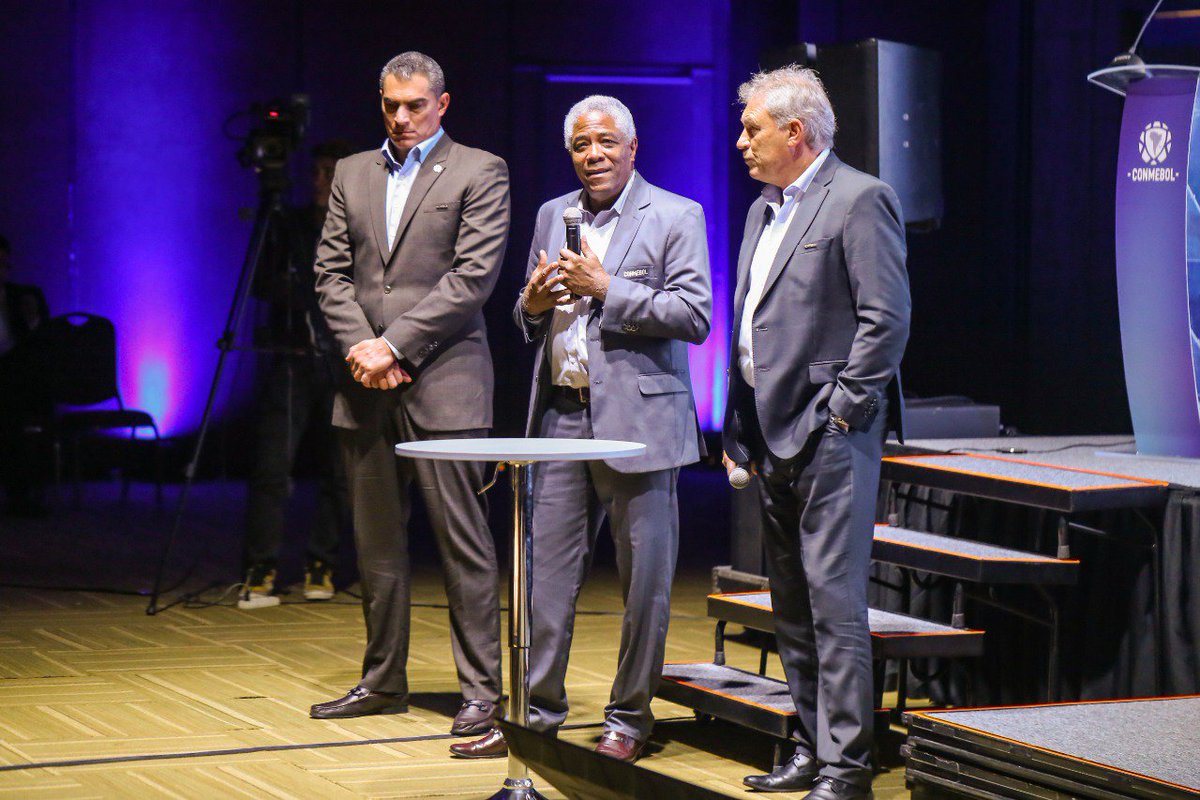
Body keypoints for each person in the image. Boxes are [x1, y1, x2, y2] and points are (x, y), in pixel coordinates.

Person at [450, 95, 711, 763]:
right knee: (543, 583)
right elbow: (530, 316)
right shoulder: (553, 214)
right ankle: (533, 718)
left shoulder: (676, 214)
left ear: (632, 149)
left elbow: (695, 315)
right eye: (580, 145)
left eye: (606, 142)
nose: (593, 155)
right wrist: (531, 304)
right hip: (562, 418)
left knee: (644, 586)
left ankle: (628, 719)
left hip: (640, 426)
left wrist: (607, 287)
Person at [309, 51, 509, 739]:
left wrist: (392, 346)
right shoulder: (353, 172)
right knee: (376, 549)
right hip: (366, 385)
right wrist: (363, 349)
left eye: (415, 105)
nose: (401, 117)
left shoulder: (480, 170)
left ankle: (481, 691)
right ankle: (381, 681)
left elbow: (472, 279)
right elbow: (330, 275)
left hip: (445, 381)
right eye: (391, 104)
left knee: (463, 544)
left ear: (441, 105)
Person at [724, 66, 909, 800]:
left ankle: (847, 767)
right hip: (770, 433)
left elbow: (884, 320)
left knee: (834, 607)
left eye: (753, 129)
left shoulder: (860, 198)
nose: (742, 142)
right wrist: (740, 422)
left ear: (795, 132)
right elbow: (754, 321)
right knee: (792, 607)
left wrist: (842, 413)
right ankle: (809, 745)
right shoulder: (762, 210)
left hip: (830, 434)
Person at [238, 140, 355, 610]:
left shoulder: (359, 228)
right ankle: (260, 566)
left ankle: (321, 561)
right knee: (272, 466)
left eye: (330, 173)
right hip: (292, 356)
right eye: (316, 172)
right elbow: (259, 282)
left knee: (339, 469)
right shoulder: (289, 225)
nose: (320, 182)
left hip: (342, 360)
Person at [0, 234, 52, 516]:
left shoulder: (21, 296)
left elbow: (41, 339)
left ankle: (21, 494)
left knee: (22, 402)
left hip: (13, 377)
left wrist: (32, 319)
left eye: (4, 265)